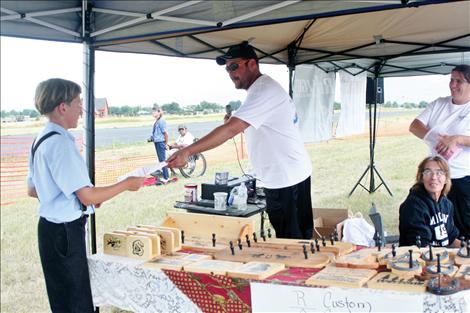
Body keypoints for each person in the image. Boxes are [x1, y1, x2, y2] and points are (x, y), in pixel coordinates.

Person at [167, 41, 313, 239]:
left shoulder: (263, 91)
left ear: (252, 64)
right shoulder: (261, 89)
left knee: (293, 243)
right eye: (227, 69)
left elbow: (229, 130)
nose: (230, 73)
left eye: (234, 66)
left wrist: (187, 151)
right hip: (290, 175)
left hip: (285, 180)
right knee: (297, 240)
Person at [27, 78, 145, 312]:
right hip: (65, 233)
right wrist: (126, 184)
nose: (81, 111)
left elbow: (33, 189)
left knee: (62, 299)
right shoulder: (61, 144)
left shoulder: (40, 139)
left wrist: (81, 198)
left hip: (50, 231)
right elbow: (87, 196)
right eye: (78, 103)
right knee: (77, 302)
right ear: (63, 107)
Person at [409, 64, 470, 239]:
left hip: (461, 179)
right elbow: (415, 126)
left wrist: (457, 139)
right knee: (433, 224)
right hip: (433, 178)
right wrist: (438, 140)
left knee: (463, 227)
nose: (453, 85)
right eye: (451, 80)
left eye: (459, 81)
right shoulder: (439, 104)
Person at [399, 156, 460, 247]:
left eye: (439, 172)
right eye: (428, 172)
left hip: (440, 256)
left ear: (446, 178)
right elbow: (421, 247)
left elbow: (450, 239)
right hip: (418, 258)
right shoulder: (413, 206)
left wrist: (466, 248)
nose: (434, 177)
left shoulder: (447, 204)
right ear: (421, 177)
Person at [150, 104, 170, 183]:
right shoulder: (157, 121)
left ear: (159, 112)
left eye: (154, 112)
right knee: (161, 160)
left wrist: (165, 143)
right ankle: (165, 175)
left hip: (160, 142)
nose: (153, 113)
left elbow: (165, 133)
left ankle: (166, 177)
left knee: (162, 160)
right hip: (157, 142)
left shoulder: (161, 121)